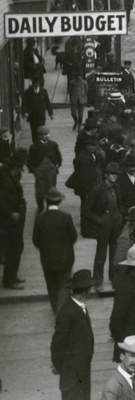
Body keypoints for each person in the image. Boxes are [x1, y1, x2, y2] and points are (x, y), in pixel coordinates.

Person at [51, 269, 97, 400]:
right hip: (72, 374)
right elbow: (57, 343)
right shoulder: (68, 311)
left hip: (82, 370)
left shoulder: (80, 307)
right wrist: (59, 366)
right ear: (86, 290)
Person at [33, 188, 77, 312]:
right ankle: (62, 310)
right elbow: (73, 237)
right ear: (59, 202)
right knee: (65, 284)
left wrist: (45, 248)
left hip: (47, 259)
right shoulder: (66, 217)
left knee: (51, 284)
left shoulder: (40, 219)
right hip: (65, 259)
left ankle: (55, 307)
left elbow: (35, 239)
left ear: (47, 201)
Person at [86, 162, 124, 292]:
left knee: (115, 251)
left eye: (116, 174)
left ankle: (114, 279)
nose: (114, 176)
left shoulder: (117, 187)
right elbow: (86, 210)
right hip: (104, 224)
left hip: (117, 222)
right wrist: (99, 220)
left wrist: (121, 215)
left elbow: (120, 203)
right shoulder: (98, 190)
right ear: (106, 174)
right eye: (111, 174)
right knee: (101, 252)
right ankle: (97, 281)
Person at [1, 149, 28, 289]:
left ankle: (12, 275)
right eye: (20, 169)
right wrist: (11, 213)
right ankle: (9, 280)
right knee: (14, 250)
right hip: (11, 223)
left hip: (16, 222)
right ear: (15, 168)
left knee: (17, 248)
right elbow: (2, 202)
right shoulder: (7, 182)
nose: (22, 171)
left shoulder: (12, 179)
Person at [28, 125, 62, 210]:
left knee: (51, 189)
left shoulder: (53, 144)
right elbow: (29, 159)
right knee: (40, 191)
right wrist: (33, 169)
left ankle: (49, 207)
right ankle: (40, 206)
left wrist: (57, 165)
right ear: (39, 136)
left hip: (51, 170)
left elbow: (58, 156)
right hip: (39, 171)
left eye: (48, 134)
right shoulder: (34, 146)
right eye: (45, 134)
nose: (47, 136)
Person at [22, 76, 54, 144]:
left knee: (41, 130)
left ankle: (41, 143)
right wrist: (25, 112)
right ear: (32, 84)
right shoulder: (28, 92)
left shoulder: (43, 91)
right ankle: (35, 145)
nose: (36, 85)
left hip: (41, 115)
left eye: (38, 84)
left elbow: (47, 102)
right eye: (35, 84)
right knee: (34, 131)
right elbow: (24, 103)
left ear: (39, 84)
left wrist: (50, 113)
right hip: (32, 116)